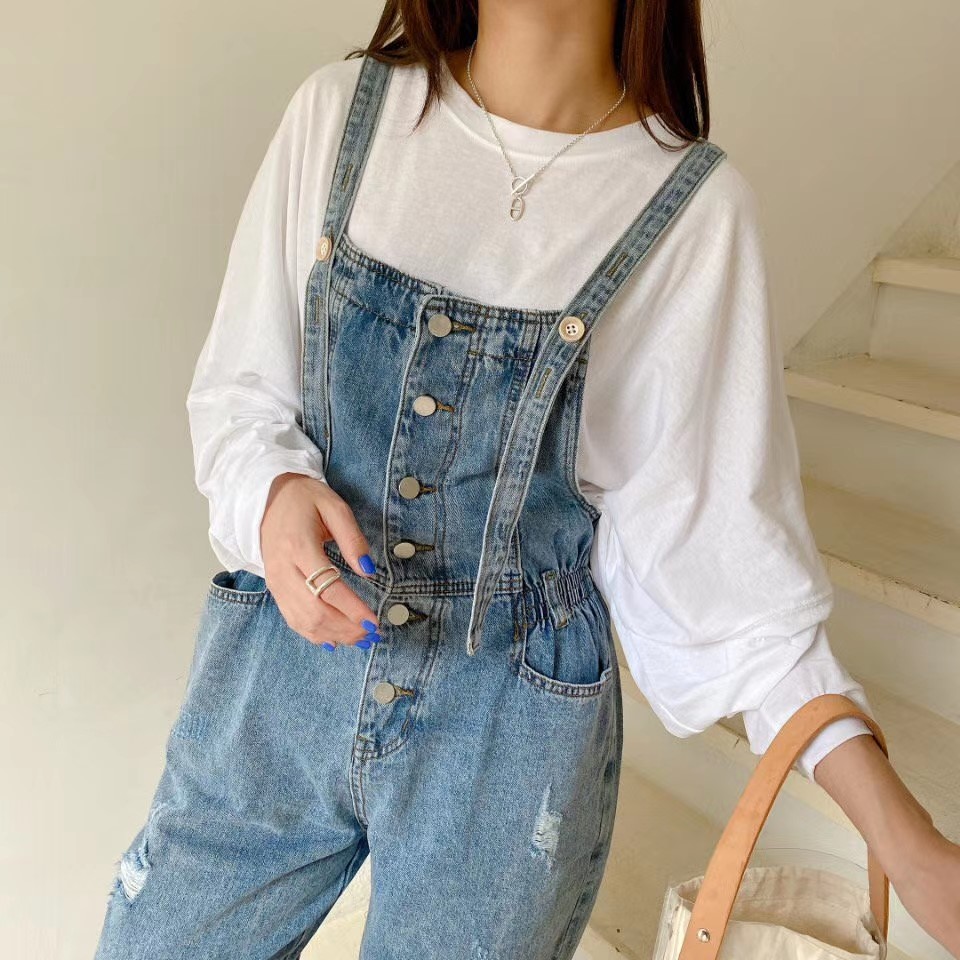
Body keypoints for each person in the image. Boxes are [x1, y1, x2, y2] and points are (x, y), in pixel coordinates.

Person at [93, 2, 960, 958]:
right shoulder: (340, 114)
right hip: (278, 686)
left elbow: (728, 587)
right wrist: (271, 497)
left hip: (510, 740)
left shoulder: (692, 215)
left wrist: (908, 842)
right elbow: (241, 397)